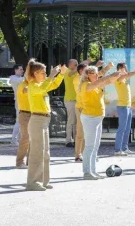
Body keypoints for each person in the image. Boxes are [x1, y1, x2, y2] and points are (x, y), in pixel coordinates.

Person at [26, 61, 66, 191]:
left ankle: (43, 181)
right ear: (35, 73)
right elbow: (45, 86)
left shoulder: (40, 85)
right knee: (37, 153)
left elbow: (53, 84)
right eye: (43, 72)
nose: (45, 74)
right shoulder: (33, 86)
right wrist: (52, 75)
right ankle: (33, 182)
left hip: (44, 121)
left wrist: (61, 75)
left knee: (45, 153)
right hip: (37, 120)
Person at [79, 65, 121, 180]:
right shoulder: (85, 85)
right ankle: (87, 172)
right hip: (90, 118)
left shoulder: (97, 85)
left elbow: (107, 82)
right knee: (89, 146)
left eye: (97, 73)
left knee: (95, 146)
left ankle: (92, 170)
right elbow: (102, 80)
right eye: (95, 73)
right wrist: (111, 75)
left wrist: (117, 75)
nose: (97, 75)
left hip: (97, 118)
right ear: (88, 75)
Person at [114, 63, 135, 156]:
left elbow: (126, 75)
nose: (126, 70)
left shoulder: (124, 80)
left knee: (127, 129)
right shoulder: (118, 78)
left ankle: (124, 148)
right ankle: (117, 150)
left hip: (128, 106)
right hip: (122, 107)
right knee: (122, 129)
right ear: (120, 69)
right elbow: (126, 75)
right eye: (125, 68)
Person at [15, 70, 31, 169]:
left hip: (33, 114)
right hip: (25, 114)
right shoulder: (23, 85)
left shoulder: (32, 85)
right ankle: (20, 162)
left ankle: (30, 162)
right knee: (25, 138)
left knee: (32, 140)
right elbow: (26, 90)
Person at [8, 64, 25, 147]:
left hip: (24, 102)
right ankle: (13, 140)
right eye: (20, 69)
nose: (22, 71)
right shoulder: (13, 78)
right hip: (19, 102)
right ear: (15, 70)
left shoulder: (21, 78)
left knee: (23, 121)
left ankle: (19, 139)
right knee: (18, 121)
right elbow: (22, 80)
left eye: (22, 69)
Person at [63, 59, 78, 148]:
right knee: (71, 121)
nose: (76, 65)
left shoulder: (76, 72)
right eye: (75, 64)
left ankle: (76, 140)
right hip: (70, 100)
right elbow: (73, 72)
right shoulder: (68, 71)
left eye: (77, 64)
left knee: (76, 122)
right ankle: (68, 140)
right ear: (70, 65)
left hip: (76, 100)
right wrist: (83, 64)